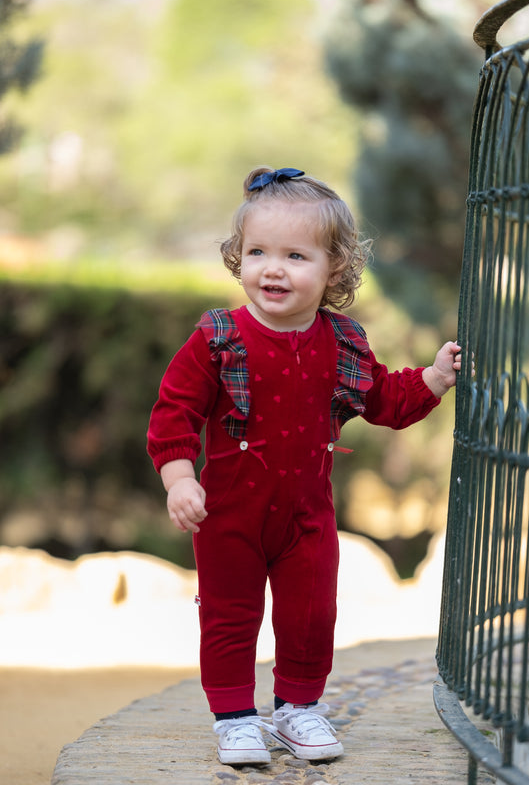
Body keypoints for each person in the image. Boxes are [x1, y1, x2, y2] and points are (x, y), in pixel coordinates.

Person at [147, 166, 463, 766]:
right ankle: (235, 718)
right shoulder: (218, 340)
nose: (273, 268)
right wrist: (180, 477)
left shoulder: (342, 342)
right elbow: (174, 414)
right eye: (258, 251)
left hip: (307, 517)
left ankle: (298, 709)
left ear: (334, 270)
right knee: (230, 614)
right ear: (237, 257)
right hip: (230, 515)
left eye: (296, 255)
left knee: (311, 614)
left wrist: (434, 378)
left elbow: (384, 400)